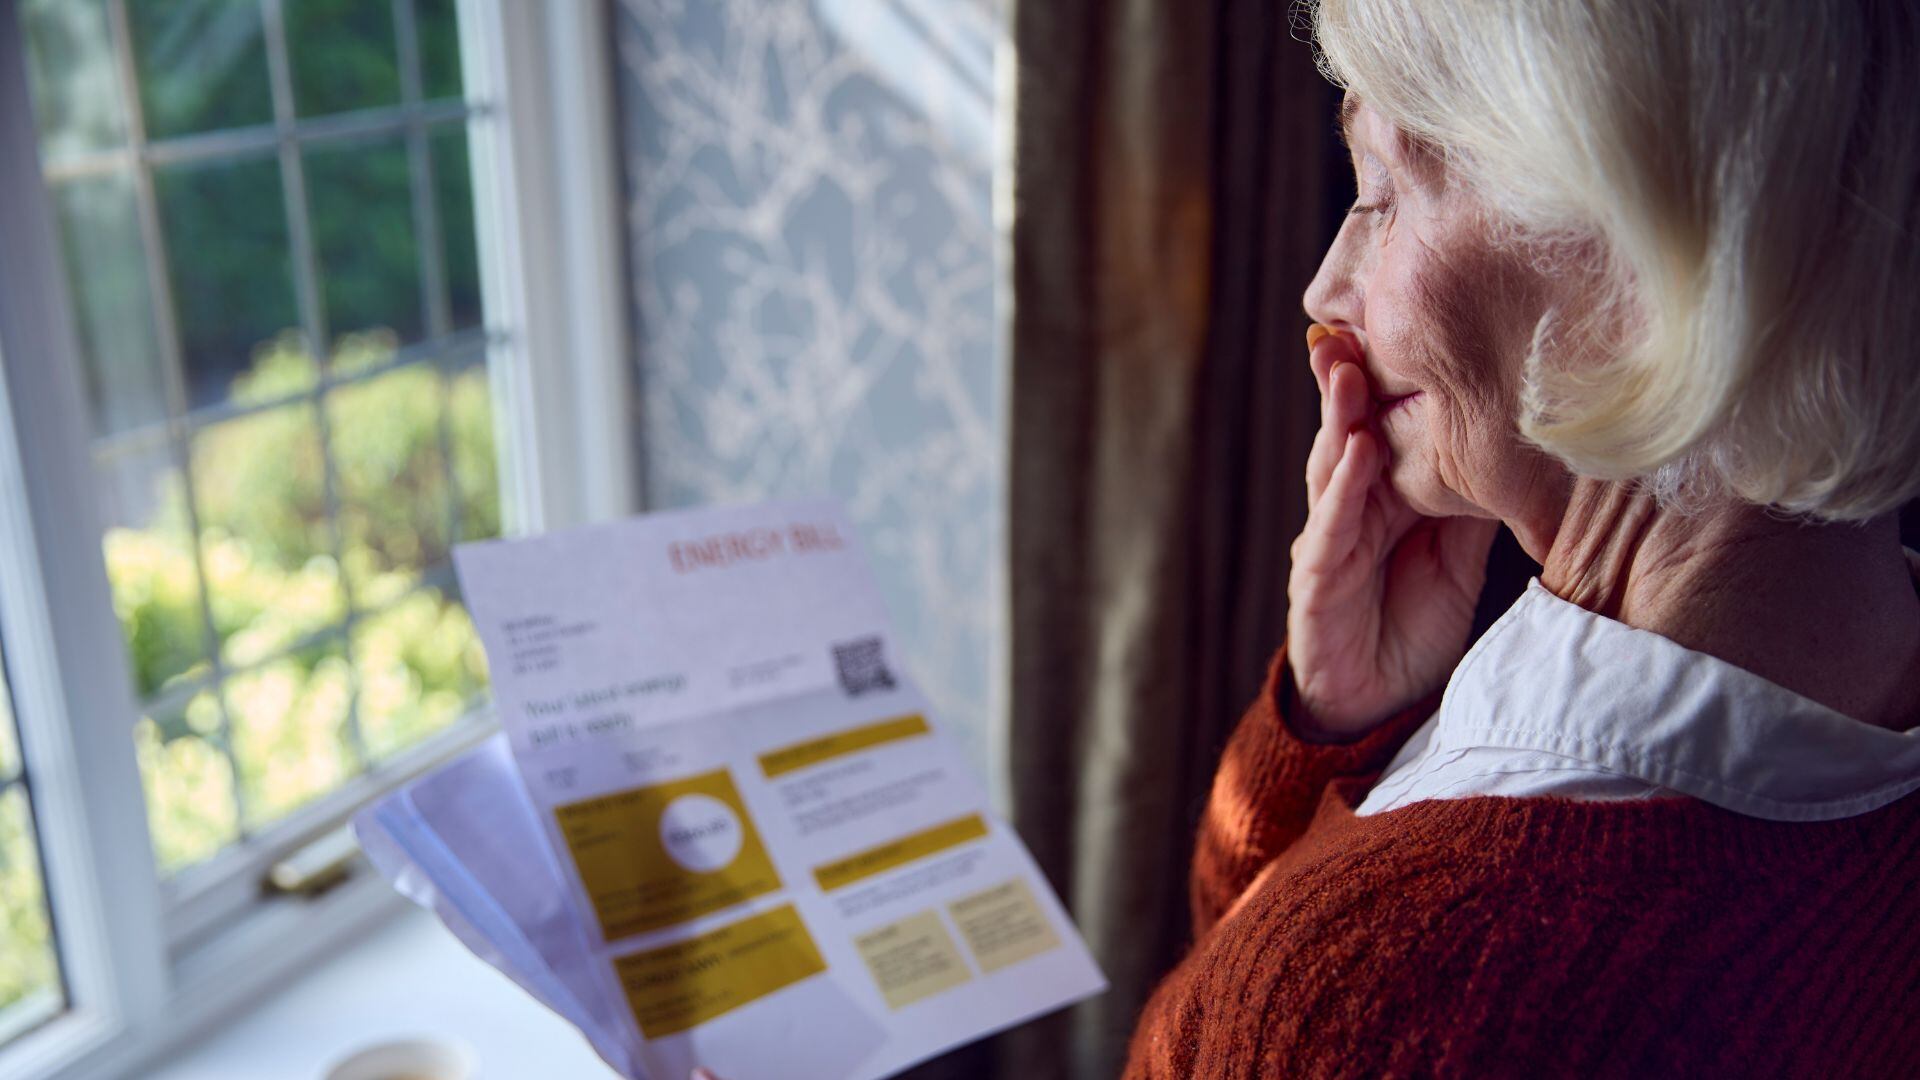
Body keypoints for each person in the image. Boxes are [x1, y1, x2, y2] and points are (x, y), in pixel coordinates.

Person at [1125, 1, 1920, 1076]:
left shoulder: (1380, 1001)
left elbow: (1256, 1023)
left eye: (1383, 192)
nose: (1324, 290)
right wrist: (1338, 721)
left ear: (1635, 247)